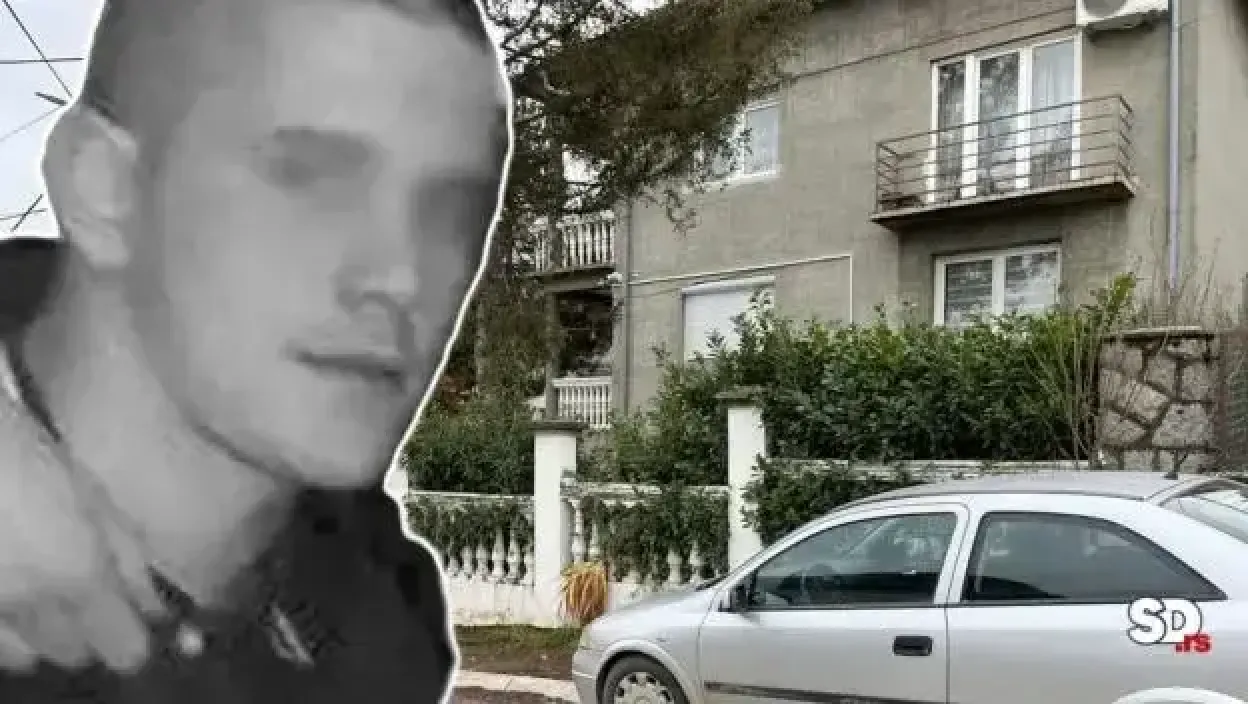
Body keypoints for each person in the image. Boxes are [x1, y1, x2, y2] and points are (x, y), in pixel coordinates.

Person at [0, 0, 510, 700]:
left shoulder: (387, 625)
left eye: (452, 210)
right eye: (309, 174)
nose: (402, 276)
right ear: (103, 188)